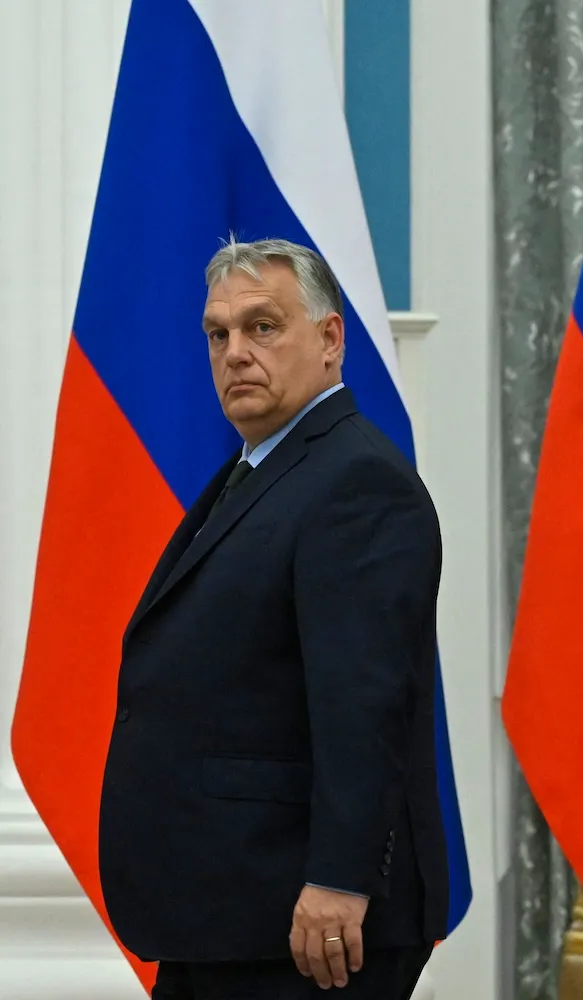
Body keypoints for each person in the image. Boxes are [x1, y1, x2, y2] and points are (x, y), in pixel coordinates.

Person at [99, 238, 448, 999]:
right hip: (236, 911)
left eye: (263, 327)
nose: (235, 353)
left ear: (329, 340)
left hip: (308, 923)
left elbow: (365, 701)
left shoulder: (354, 481)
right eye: (218, 335)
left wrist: (340, 878)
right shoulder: (266, 469)